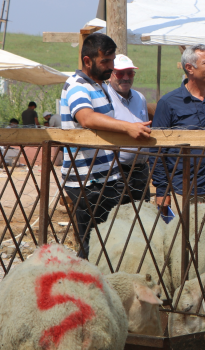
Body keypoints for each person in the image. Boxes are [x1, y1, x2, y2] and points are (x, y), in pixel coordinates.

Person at [60, 32, 152, 258]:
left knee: (108, 243)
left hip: (105, 177)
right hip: (87, 180)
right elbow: (86, 117)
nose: (110, 67)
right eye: (105, 62)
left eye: (112, 61)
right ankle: (87, 289)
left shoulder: (97, 86)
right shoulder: (77, 86)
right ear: (87, 61)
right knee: (92, 246)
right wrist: (128, 127)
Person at [150, 44, 205, 213]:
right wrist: (162, 191)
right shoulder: (169, 103)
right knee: (181, 237)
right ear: (190, 68)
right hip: (181, 191)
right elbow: (156, 150)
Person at [107, 54, 150, 203]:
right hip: (117, 171)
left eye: (130, 73)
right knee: (118, 218)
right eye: (120, 73)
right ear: (110, 75)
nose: (125, 77)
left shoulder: (140, 98)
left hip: (141, 171)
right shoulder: (104, 98)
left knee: (142, 216)